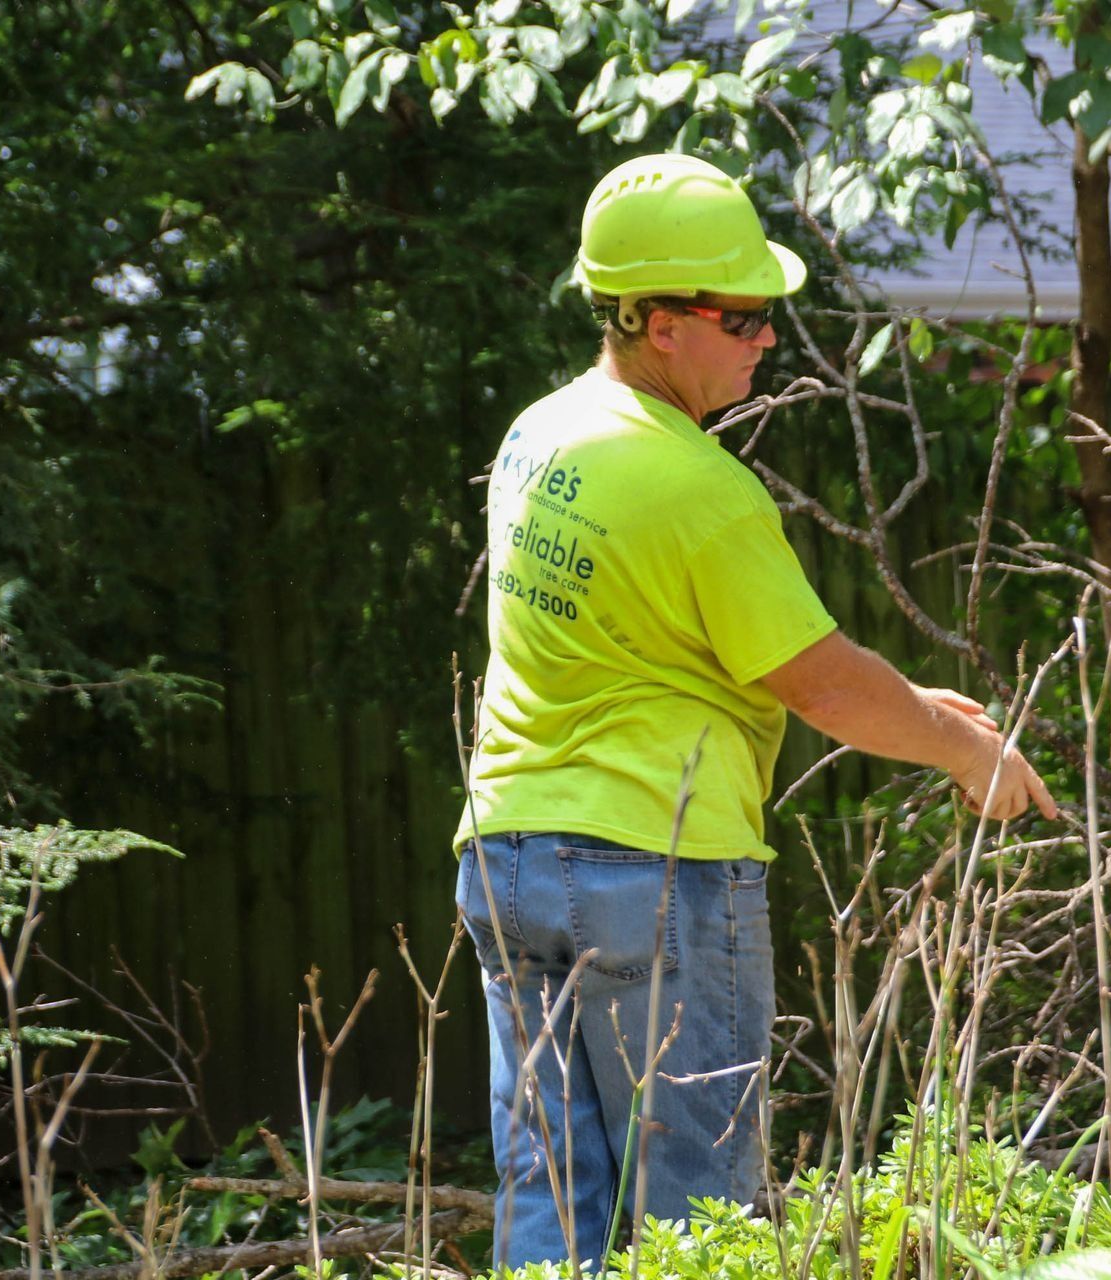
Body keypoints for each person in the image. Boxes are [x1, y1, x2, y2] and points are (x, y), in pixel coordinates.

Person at [452, 152, 1058, 1271]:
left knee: (551, 1189)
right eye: (742, 316)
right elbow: (820, 683)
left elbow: (657, 642)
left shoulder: (539, 437)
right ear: (657, 322)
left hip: (509, 857)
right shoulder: (698, 487)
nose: (767, 337)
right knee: (698, 1214)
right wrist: (966, 747)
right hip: (654, 871)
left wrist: (914, 697)